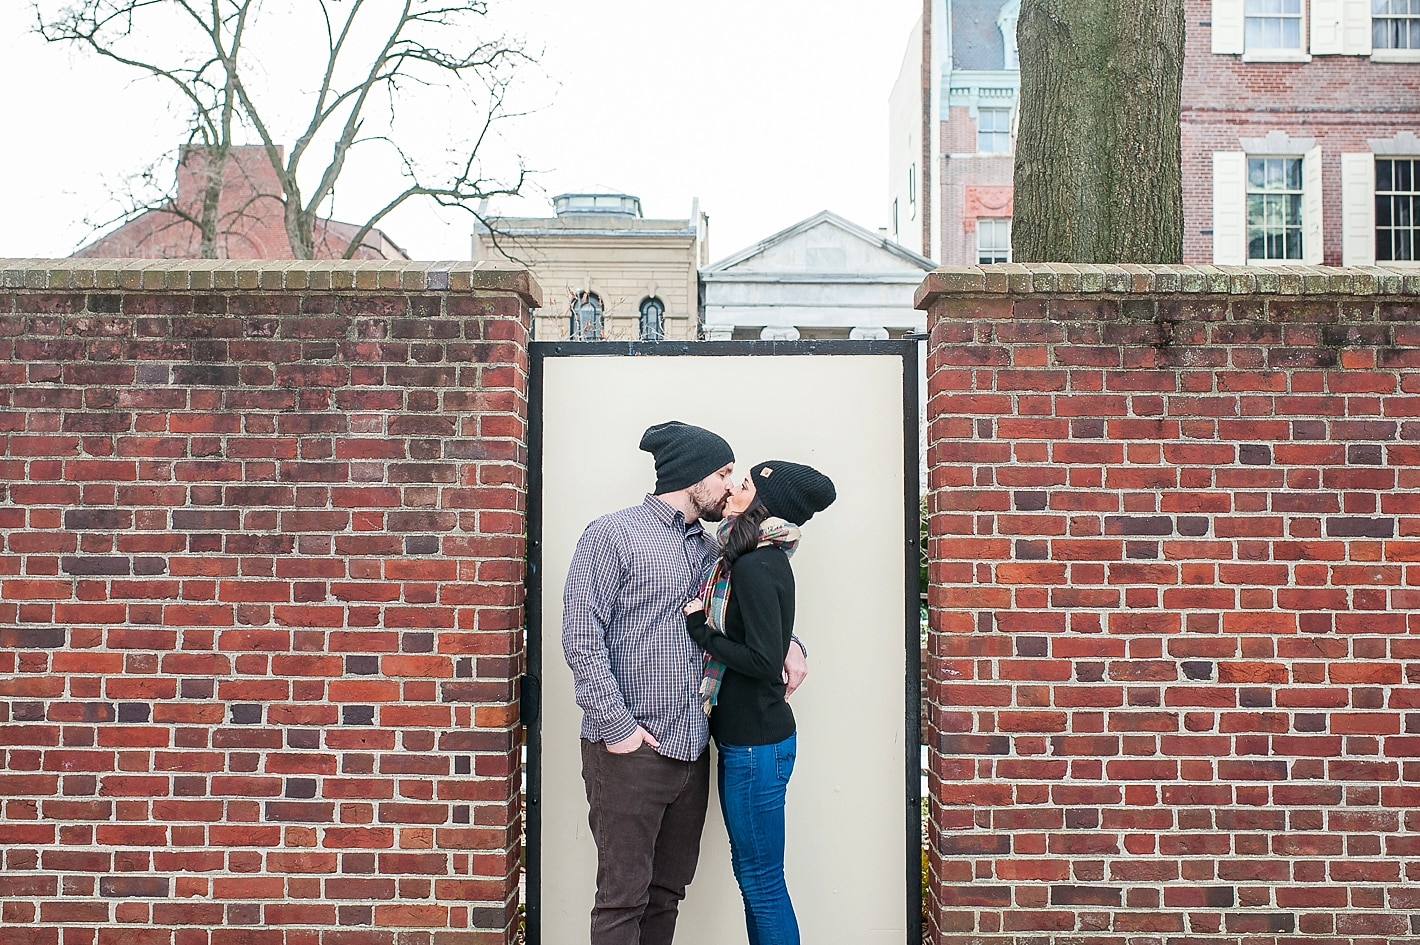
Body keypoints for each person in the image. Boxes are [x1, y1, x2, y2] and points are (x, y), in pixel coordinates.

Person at [562, 421, 809, 945]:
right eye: (724, 473)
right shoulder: (612, 535)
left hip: (693, 748)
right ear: (694, 476)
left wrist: (790, 643)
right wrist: (617, 728)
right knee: (622, 900)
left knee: (666, 895)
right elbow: (581, 637)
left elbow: (746, 617)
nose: (731, 485)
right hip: (631, 750)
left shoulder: (714, 547)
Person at [683, 460, 836, 945]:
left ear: (763, 503)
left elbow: (764, 658)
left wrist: (701, 632)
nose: (733, 487)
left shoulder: (752, 565)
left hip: (754, 746)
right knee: (757, 881)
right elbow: (771, 642)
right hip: (755, 741)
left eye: (745, 483)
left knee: (762, 884)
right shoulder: (759, 558)